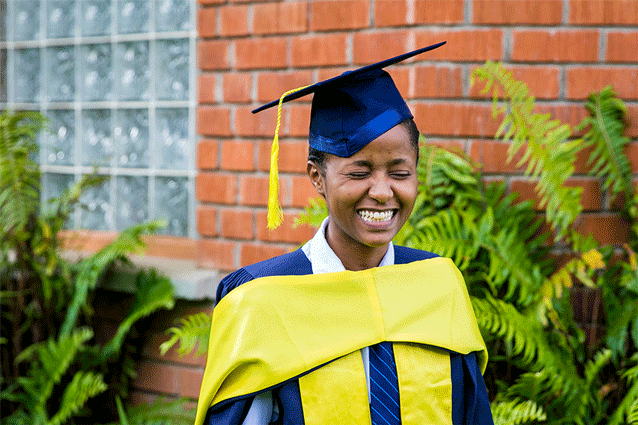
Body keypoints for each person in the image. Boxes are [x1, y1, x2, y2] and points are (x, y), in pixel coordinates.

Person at [195, 42, 494, 425]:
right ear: (317, 177)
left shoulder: (439, 288)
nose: (383, 191)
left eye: (400, 173)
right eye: (359, 172)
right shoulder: (262, 301)